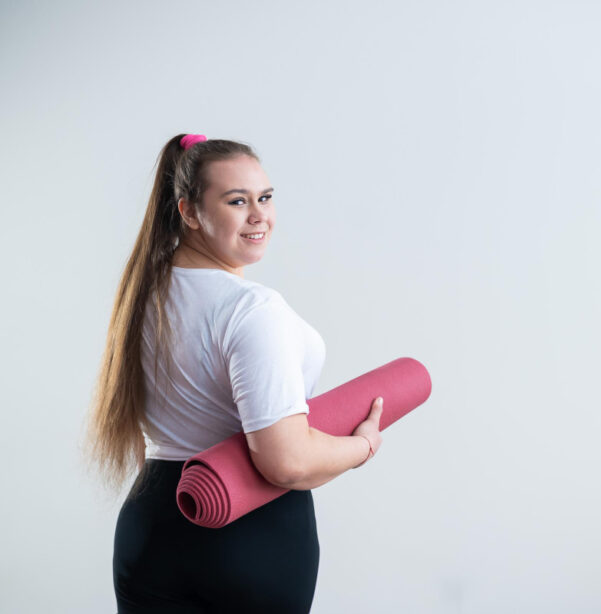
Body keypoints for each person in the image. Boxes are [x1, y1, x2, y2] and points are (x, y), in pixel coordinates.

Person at [81, 133, 384, 613]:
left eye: (264, 198)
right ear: (189, 212)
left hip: (151, 528)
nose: (259, 214)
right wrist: (362, 445)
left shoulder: (142, 295)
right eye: (237, 201)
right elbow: (285, 462)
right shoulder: (251, 308)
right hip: (248, 538)